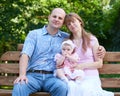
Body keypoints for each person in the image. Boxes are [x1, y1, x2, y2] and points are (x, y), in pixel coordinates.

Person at [12, 7, 106, 96]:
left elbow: (84, 45)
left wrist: (101, 48)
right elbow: (25, 54)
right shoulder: (34, 34)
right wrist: (22, 75)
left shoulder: (65, 39)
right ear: (49, 17)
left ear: (62, 23)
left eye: (60, 18)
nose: (57, 19)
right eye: (54, 16)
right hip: (33, 75)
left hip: (53, 77)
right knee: (20, 86)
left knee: (62, 87)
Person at [64, 12, 114, 96]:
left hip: (90, 77)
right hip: (74, 77)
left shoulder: (92, 40)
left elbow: (99, 64)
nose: (72, 25)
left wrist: (82, 66)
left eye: (73, 21)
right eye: (69, 24)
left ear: (80, 22)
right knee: (70, 87)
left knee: (84, 89)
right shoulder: (67, 42)